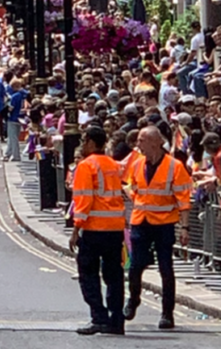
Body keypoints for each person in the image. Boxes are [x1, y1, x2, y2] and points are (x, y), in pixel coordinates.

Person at [124, 126, 192, 329]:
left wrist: (185, 227)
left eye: (141, 141)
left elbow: (184, 200)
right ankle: (133, 300)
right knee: (135, 266)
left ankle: (167, 314)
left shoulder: (175, 166)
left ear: (155, 142)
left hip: (164, 224)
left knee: (166, 269)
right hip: (140, 220)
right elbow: (131, 188)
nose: (138, 145)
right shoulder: (137, 164)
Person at [68, 126, 125, 336]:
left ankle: (99, 317)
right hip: (115, 228)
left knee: (88, 274)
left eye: (84, 140)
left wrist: (76, 229)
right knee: (114, 275)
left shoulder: (86, 166)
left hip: (94, 229)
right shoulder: (114, 164)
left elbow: (83, 200)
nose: (82, 145)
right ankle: (116, 321)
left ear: (92, 142)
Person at [3, 79, 27, 162]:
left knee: (13, 138)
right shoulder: (24, 95)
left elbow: (10, 108)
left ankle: (16, 156)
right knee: (12, 137)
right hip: (21, 118)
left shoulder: (15, 96)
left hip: (13, 118)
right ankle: (7, 154)